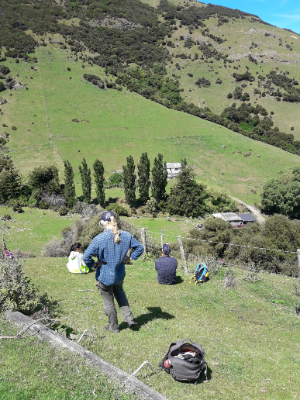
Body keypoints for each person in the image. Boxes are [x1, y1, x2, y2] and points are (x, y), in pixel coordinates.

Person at [83, 211, 144, 333]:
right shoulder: (126, 235)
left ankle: (114, 327)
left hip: (105, 276)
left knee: (108, 302)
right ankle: (129, 319)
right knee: (120, 293)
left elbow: (85, 257)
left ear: (103, 223)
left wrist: (94, 264)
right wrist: (129, 258)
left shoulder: (99, 239)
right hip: (119, 274)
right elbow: (140, 248)